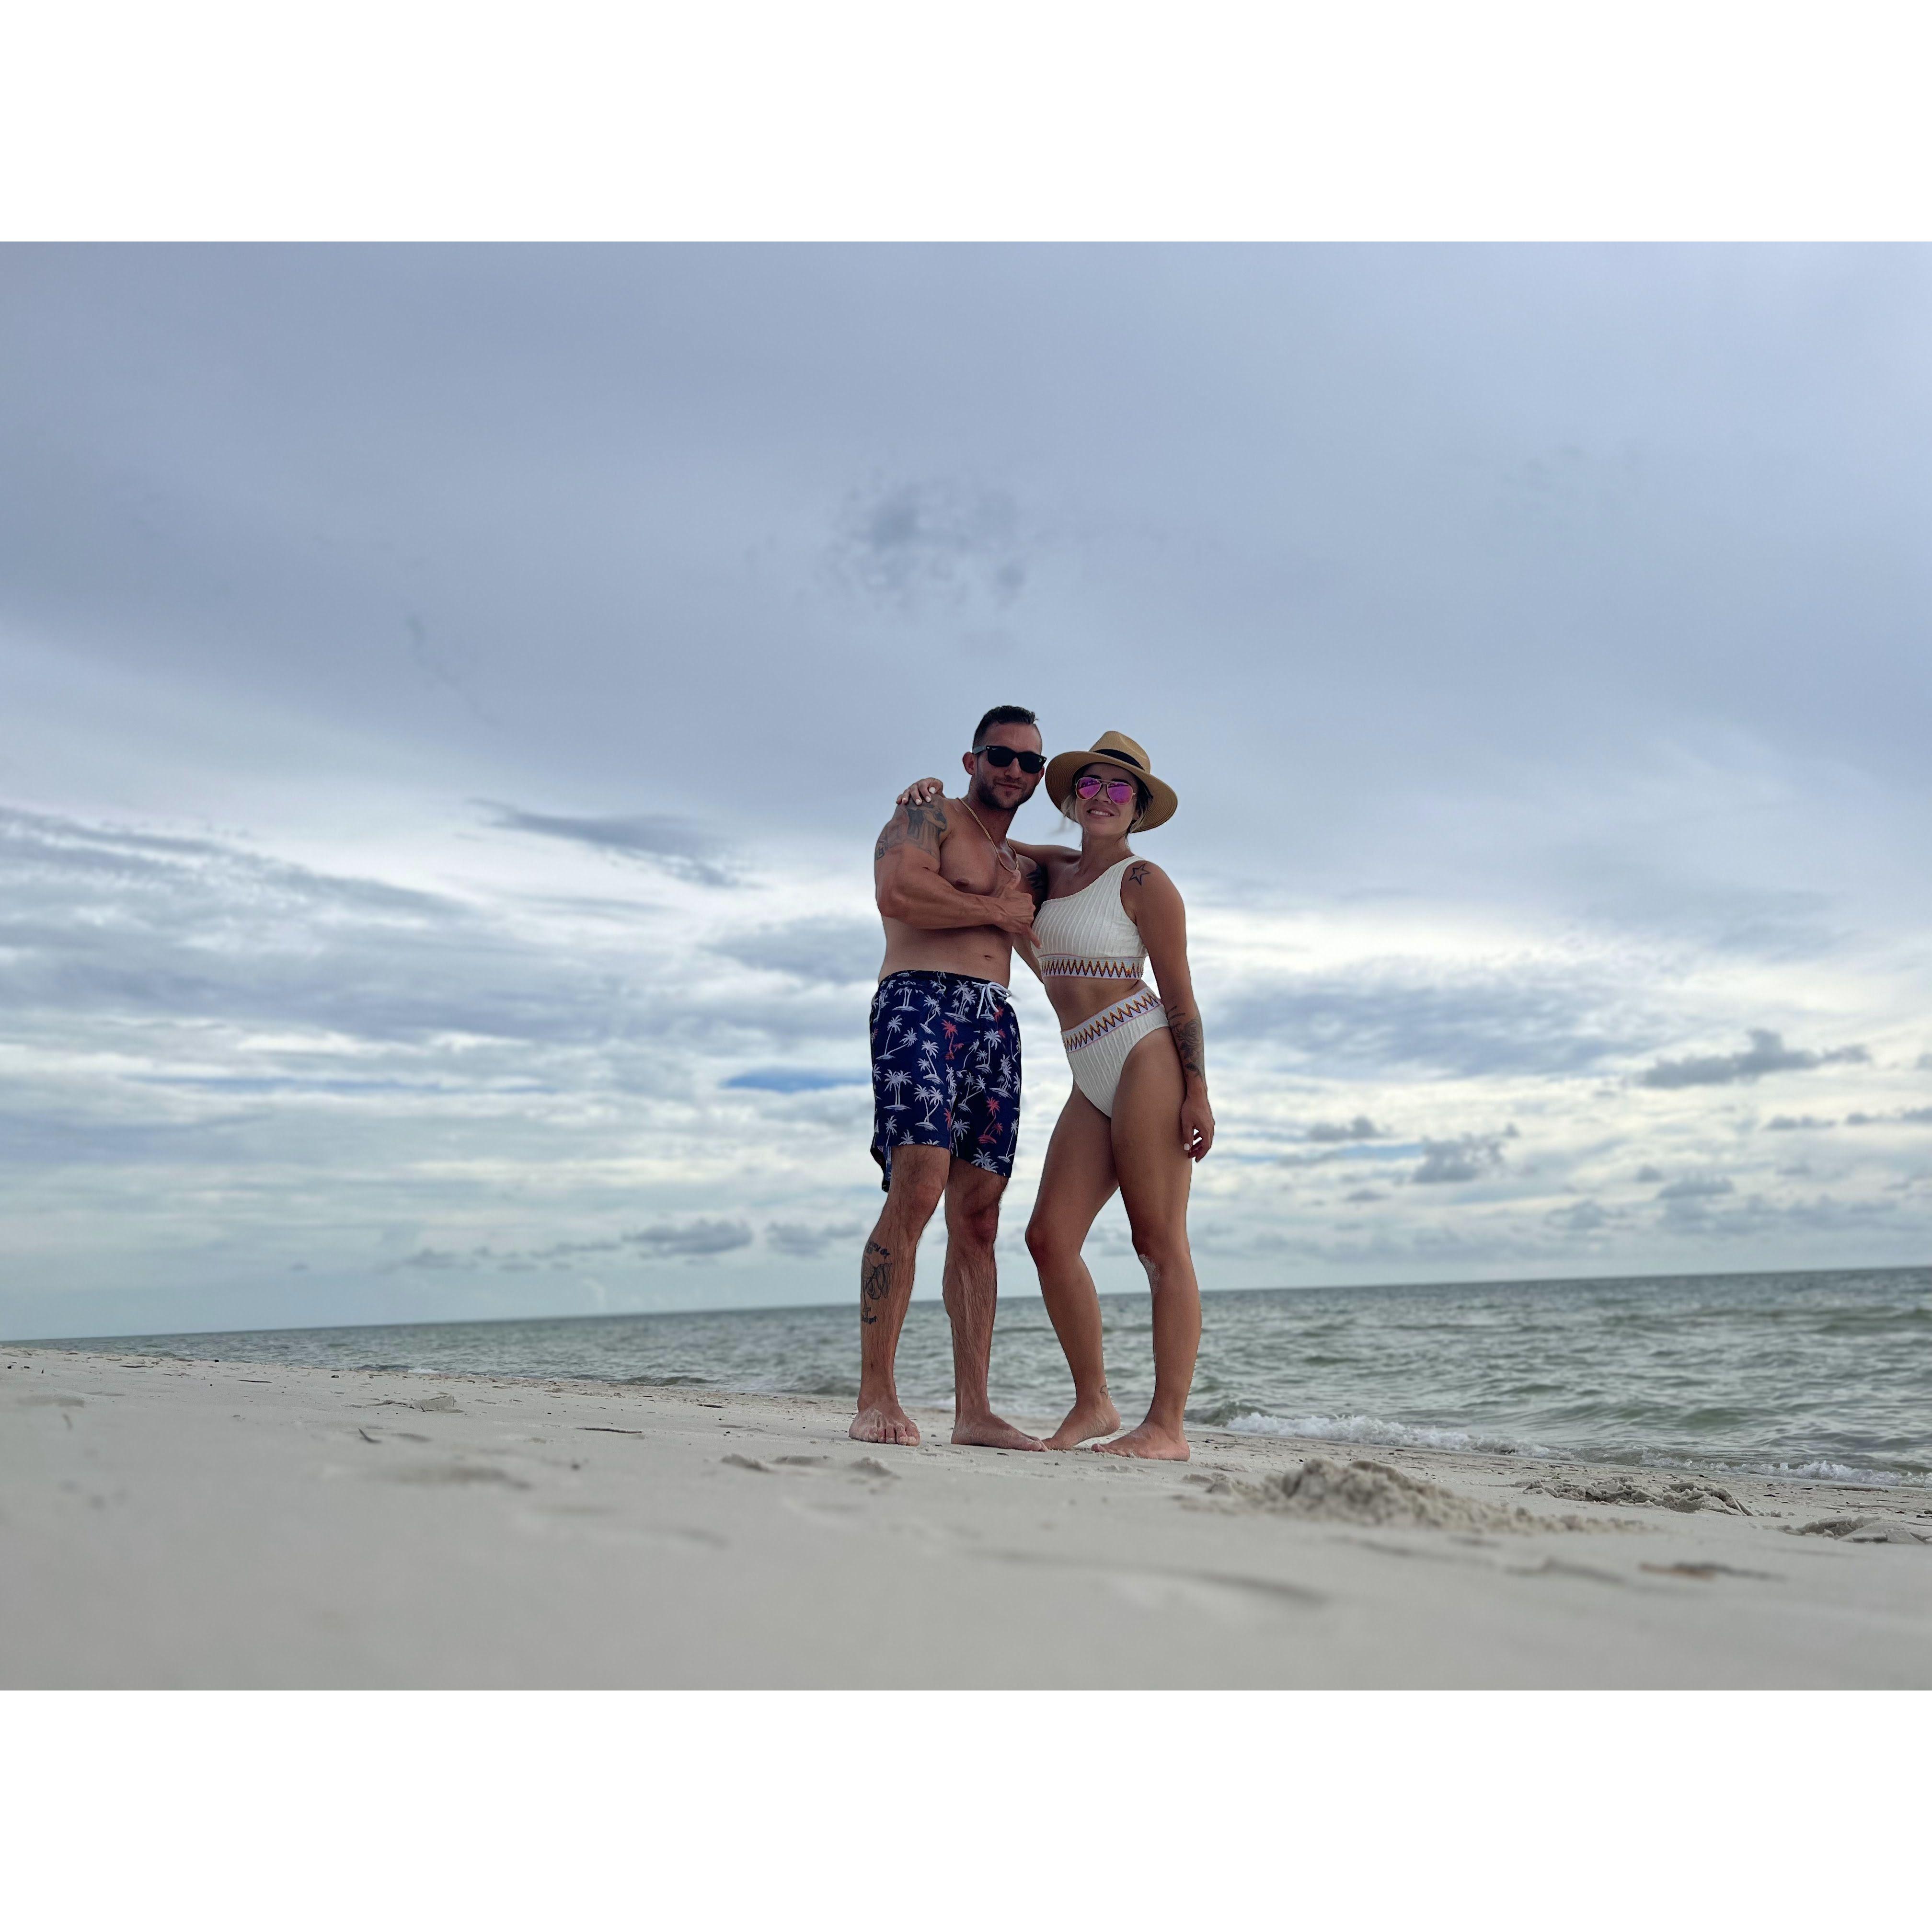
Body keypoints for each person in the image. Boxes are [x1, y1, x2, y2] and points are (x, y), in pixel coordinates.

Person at [897, 732, 1212, 1460]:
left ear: (1138, 808)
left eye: (1119, 788)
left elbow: (1181, 995)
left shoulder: (1144, 882)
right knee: (1048, 1239)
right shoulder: (1046, 870)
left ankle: (1167, 1427)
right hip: (1085, 1064)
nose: (1102, 797)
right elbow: (975, 830)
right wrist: (925, 797)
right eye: (1090, 785)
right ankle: (1095, 1401)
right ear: (1072, 798)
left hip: (1143, 1051)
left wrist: (1197, 1091)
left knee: (1158, 1243)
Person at [852, 704, 1053, 1450]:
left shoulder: (1022, 863)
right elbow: (899, 895)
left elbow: (1070, 902)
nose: (1014, 770)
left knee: (980, 1217)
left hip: (994, 1020)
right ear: (972, 761)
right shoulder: (927, 816)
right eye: (1001, 755)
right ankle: (877, 1396)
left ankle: (974, 1412)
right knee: (918, 1187)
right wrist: (997, 910)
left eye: (1030, 762)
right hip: (918, 1001)